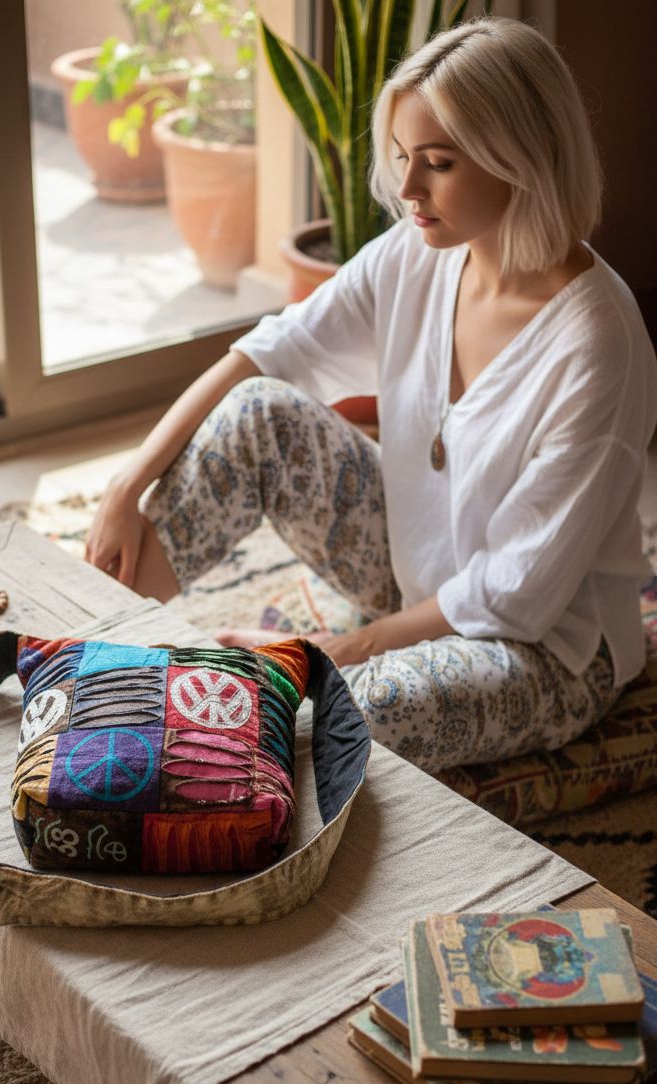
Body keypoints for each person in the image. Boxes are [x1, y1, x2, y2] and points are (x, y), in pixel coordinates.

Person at [84, 16, 657, 775]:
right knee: (263, 417)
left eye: (440, 163)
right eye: (402, 159)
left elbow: (513, 595)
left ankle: (171, 748)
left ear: (520, 159)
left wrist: (335, 653)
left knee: (350, 712)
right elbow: (265, 355)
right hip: (415, 576)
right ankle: (90, 643)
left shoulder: (599, 346)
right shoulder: (419, 255)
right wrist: (129, 483)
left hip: (545, 650)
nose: (409, 190)